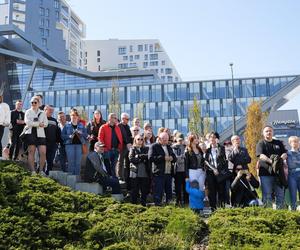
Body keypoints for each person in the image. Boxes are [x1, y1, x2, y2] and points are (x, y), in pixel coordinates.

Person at [256, 125, 287, 209]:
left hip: (278, 173)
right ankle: (268, 215)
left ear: (273, 132)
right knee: (267, 195)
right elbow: (261, 156)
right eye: (266, 131)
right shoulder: (261, 143)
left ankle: (280, 215)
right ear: (263, 133)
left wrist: (280, 159)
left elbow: (284, 153)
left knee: (280, 195)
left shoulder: (278, 143)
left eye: (270, 131)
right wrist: (272, 162)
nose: (268, 132)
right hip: (266, 174)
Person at [149, 132, 177, 206]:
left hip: (168, 173)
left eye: (167, 140)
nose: (166, 141)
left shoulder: (169, 147)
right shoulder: (154, 146)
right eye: (164, 140)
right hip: (159, 173)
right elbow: (150, 158)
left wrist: (172, 158)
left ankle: (169, 207)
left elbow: (175, 158)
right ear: (159, 139)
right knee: (158, 192)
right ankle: (158, 207)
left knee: (169, 192)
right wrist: (163, 158)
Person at [205, 132, 229, 211]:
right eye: (211, 137)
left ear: (217, 139)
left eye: (214, 137)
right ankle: (213, 209)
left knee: (221, 191)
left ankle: (222, 209)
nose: (212, 139)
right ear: (209, 139)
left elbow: (224, 161)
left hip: (220, 173)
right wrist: (213, 169)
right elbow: (206, 162)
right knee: (212, 192)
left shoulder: (221, 148)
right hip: (211, 173)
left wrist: (218, 170)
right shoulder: (207, 150)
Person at [24, 96, 48, 175]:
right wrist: (38, 124)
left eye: (35, 102)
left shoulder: (43, 112)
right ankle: (33, 171)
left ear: (39, 104)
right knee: (31, 151)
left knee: (43, 152)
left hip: (41, 134)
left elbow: (46, 124)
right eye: (32, 102)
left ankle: (41, 170)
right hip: (31, 133)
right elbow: (28, 122)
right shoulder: (28, 112)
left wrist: (40, 124)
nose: (33, 104)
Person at [61, 108, 87, 175]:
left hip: (79, 145)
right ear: (70, 116)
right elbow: (62, 136)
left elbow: (86, 135)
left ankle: (77, 178)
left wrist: (81, 133)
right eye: (73, 115)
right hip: (69, 145)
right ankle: (71, 179)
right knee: (71, 162)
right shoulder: (66, 125)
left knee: (78, 162)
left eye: (76, 115)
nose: (74, 116)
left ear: (78, 117)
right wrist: (69, 136)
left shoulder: (81, 125)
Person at [128, 134, 151, 206]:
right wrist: (141, 159)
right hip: (135, 172)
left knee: (144, 190)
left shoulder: (146, 148)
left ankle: (143, 204)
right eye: (138, 139)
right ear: (135, 140)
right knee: (134, 190)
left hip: (144, 172)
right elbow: (131, 159)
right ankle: (133, 204)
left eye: (141, 139)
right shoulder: (132, 149)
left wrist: (139, 156)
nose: (140, 141)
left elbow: (149, 156)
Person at [44, 105, 61, 175]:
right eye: (49, 110)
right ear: (45, 110)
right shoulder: (41, 119)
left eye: (52, 110)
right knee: (41, 160)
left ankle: (48, 174)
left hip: (53, 144)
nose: (51, 111)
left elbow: (57, 132)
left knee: (50, 161)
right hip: (42, 143)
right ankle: (40, 173)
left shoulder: (54, 120)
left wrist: (57, 142)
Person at [172, 133, 188, 206]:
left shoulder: (185, 147)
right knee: (178, 187)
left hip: (185, 170)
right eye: (179, 140)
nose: (181, 141)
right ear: (176, 139)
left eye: (182, 140)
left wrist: (181, 157)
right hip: (177, 170)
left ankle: (186, 202)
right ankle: (178, 201)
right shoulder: (174, 147)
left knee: (185, 187)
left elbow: (186, 158)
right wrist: (182, 157)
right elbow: (175, 159)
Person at [117, 112, 132, 181]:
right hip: (122, 146)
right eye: (127, 119)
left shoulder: (127, 126)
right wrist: (127, 143)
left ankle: (126, 176)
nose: (128, 120)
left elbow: (129, 136)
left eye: (128, 119)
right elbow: (122, 136)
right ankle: (120, 176)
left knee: (127, 162)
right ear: (123, 119)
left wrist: (130, 143)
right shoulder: (119, 126)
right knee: (121, 161)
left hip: (128, 146)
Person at [286, 136, 300, 210]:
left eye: (297, 141)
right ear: (290, 143)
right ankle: (293, 211)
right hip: (292, 175)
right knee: (293, 194)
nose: (295, 143)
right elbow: (291, 165)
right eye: (293, 141)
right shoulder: (287, 153)